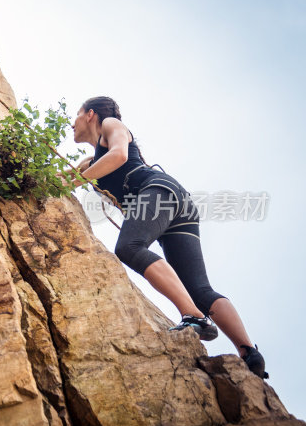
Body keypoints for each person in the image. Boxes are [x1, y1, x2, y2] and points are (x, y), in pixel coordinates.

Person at [57, 96, 268, 379]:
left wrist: (79, 180)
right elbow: (61, 178)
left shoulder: (112, 124)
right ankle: (249, 353)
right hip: (175, 203)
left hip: (158, 192)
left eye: (77, 114)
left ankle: (193, 318)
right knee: (200, 289)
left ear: (90, 115)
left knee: (130, 247)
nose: (72, 122)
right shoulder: (91, 160)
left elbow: (119, 155)